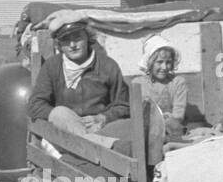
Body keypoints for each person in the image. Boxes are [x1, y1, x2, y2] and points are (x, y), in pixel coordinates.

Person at [28, 16, 164, 162]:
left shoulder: (107, 66)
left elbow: (123, 104)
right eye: (66, 40)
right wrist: (67, 120)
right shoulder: (52, 66)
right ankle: (108, 149)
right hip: (66, 132)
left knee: (139, 127)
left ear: (87, 37)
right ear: (59, 45)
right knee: (59, 112)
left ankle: (94, 148)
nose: (73, 44)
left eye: (77, 37)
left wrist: (103, 118)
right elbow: (35, 105)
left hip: (101, 129)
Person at [138, 35, 187, 142]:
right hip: (146, 133)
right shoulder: (138, 84)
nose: (164, 67)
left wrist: (171, 119)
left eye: (168, 62)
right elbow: (138, 115)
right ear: (149, 62)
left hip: (173, 131)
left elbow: (178, 114)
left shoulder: (178, 82)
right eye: (159, 62)